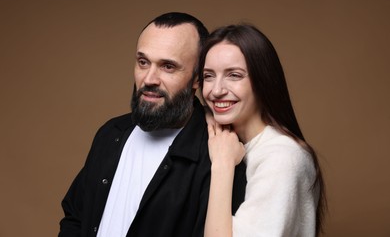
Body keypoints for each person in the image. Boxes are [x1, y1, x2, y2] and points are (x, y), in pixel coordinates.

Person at [59, 12, 247, 237]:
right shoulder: (110, 134)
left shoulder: (218, 154)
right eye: (143, 62)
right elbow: (75, 217)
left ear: (198, 77)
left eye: (168, 66)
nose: (149, 79)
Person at [199, 24, 326, 237]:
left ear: (262, 80)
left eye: (234, 75)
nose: (216, 90)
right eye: (209, 76)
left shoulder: (282, 157)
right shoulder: (229, 137)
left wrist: (223, 164)